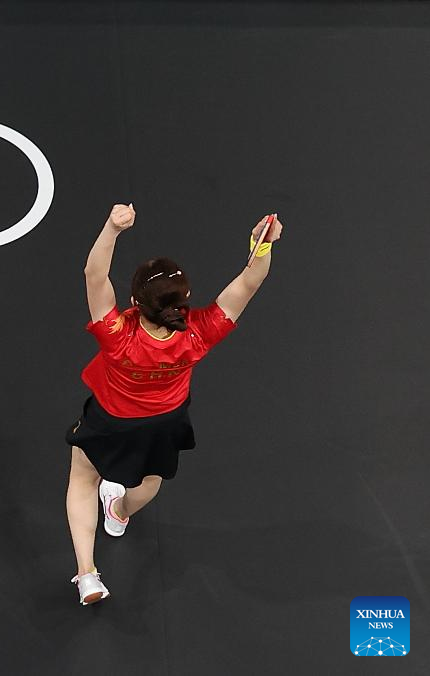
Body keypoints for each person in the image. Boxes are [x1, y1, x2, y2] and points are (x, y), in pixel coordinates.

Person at [65, 203, 282, 605]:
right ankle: (122, 511)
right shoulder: (200, 332)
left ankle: (87, 574)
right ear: (184, 301)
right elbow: (249, 282)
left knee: (83, 479)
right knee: (150, 482)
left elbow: (94, 275)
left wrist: (112, 228)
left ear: (134, 299)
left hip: (111, 420)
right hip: (164, 423)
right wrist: (261, 245)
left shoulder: (117, 333)